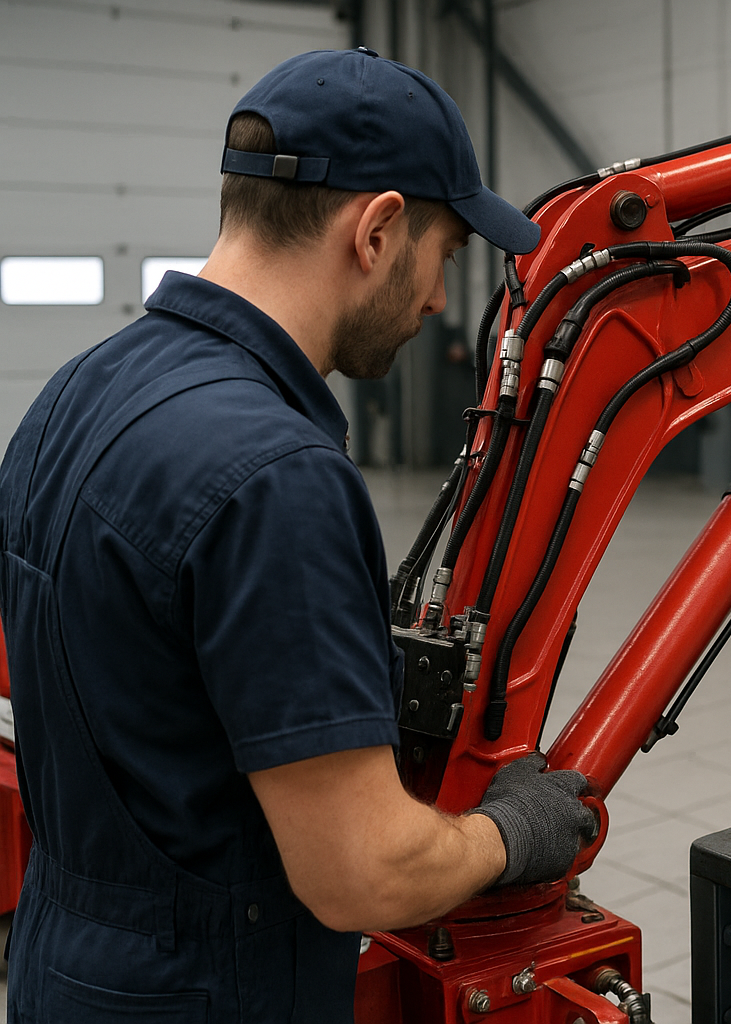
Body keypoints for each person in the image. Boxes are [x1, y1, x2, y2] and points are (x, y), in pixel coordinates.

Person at [0, 48, 594, 1023]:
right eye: (444, 253)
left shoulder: (77, 389)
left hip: (67, 966)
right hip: (206, 994)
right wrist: (512, 832)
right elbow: (364, 877)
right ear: (378, 229)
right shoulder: (275, 473)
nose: (440, 299)